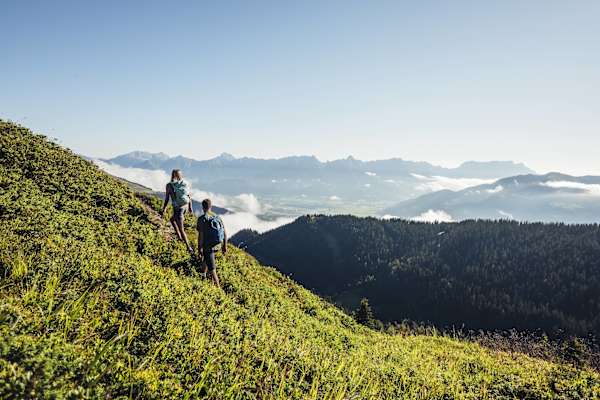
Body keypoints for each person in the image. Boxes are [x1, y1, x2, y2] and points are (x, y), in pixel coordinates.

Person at [161, 169, 194, 253]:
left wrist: (164, 208)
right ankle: (179, 237)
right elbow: (189, 196)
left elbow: (167, 198)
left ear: (172, 175)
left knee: (181, 228)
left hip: (178, 208)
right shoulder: (185, 183)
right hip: (185, 207)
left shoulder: (169, 185)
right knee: (172, 220)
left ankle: (188, 247)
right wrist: (190, 207)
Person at [197, 198, 227, 288]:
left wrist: (199, 248)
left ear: (202, 207)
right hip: (218, 245)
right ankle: (202, 275)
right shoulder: (217, 217)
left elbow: (201, 236)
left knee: (212, 269)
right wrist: (224, 246)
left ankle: (218, 289)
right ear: (211, 206)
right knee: (206, 260)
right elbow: (225, 233)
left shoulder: (202, 219)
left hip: (208, 246)